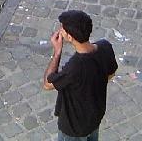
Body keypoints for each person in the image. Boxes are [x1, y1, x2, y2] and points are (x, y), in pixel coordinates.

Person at [43, 10, 118, 141]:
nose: (60, 30)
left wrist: (57, 52)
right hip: (94, 118)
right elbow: (110, 74)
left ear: (70, 37)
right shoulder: (105, 46)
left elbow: (48, 84)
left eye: (62, 28)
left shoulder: (74, 67)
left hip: (73, 128)